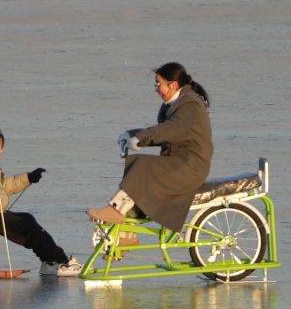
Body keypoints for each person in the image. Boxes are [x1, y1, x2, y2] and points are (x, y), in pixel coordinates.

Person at [87, 63, 214, 236]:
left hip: (190, 167)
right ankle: (126, 234)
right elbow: (165, 133)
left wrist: (141, 138)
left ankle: (116, 211)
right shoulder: (178, 103)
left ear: (173, 85)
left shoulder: (190, 104)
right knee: (142, 181)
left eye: (158, 84)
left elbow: (170, 129)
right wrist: (131, 135)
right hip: (179, 163)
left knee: (142, 165)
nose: (156, 89)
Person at [0, 124, 80, 277]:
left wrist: (28, 178)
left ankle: (49, 261)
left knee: (27, 218)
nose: (1, 151)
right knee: (26, 225)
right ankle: (57, 261)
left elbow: (1, 187)